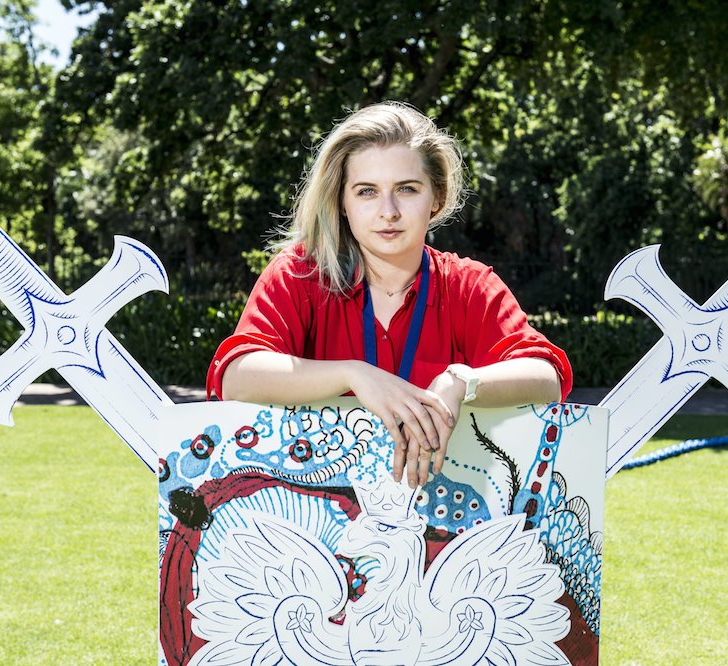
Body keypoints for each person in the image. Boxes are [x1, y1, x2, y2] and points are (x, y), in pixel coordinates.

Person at [206, 102, 572, 488]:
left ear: (436, 197)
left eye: (407, 189)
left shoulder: (469, 286)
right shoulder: (299, 274)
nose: (389, 211)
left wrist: (461, 382)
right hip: (320, 508)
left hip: (447, 507)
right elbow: (237, 378)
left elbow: (546, 378)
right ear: (342, 202)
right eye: (367, 192)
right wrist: (352, 374)